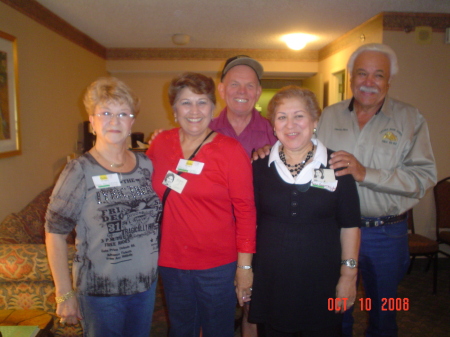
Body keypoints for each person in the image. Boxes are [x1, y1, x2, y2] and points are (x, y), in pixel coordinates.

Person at [317, 43, 437, 337]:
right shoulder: (327, 117)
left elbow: (423, 176)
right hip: (334, 232)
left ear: (389, 81)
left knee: (383, 314)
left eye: (378, 75)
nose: (369, 82)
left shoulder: (410, 119)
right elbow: (307, 161)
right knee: (335, 311)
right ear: (350, 78)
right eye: (362, 74)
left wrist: (365, 173)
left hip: (385, 233)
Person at [45, 77, 161, 337]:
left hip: (145, 287)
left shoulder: (146, 165)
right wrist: (64, 294)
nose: (114, 121)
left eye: (123, 114)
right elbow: (55, 233)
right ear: (92, 121)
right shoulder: (79, 170)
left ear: (132, 122)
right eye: (106, 113)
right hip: (101, 293)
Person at [147, 72, 256, 337]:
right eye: (186, 102)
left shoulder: (230, 151)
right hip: (172, 261)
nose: (194, 110)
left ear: (212, 108)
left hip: (217, 266)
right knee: (181, 329)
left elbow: (246, 212)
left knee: (217, 330)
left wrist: (244, 268)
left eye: (202, 102)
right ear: (174, 110)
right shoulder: (160, 144)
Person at [249, 86, 361, 337]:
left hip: (322, 281)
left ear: (314, 121)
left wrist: (348, 275)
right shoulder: (258, 167)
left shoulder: (338, 166)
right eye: (282, 117)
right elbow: (248, 223)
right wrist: (245, 270)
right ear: (273, 125)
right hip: (273, 281)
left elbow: (350, 226)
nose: (291, 125)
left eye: (299, 115)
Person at [212, 55, 277, 157]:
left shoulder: (276, 132)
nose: (242, 91)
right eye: (234, 84)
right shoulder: (205, 131)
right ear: (222, 90)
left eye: (250, 85)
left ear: (258, 92)